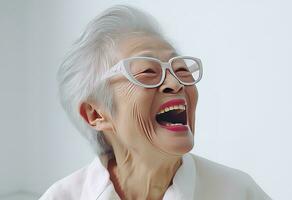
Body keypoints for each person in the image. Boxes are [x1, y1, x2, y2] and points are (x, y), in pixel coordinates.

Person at [40, 5, 271, 200]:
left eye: (180, 68)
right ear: (95, 114)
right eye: (148, 71)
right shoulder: (62, 196)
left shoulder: (237, 192)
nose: (175, 82)